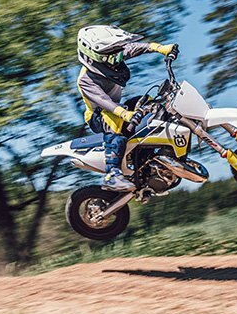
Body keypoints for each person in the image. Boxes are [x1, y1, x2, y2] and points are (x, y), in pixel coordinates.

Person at [76, 25, 179, 192]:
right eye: (113, 55)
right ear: (93, 56)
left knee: (151, 104)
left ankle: (151, 158)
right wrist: (125, 114)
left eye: (117, 52)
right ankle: (112, 175)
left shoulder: (111, 57)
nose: (118, 57)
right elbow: (104, 102)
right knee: (113, 120)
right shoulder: (85, 80)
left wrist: (160, 48)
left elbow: (133, 48)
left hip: (119, 108)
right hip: (98, 116)